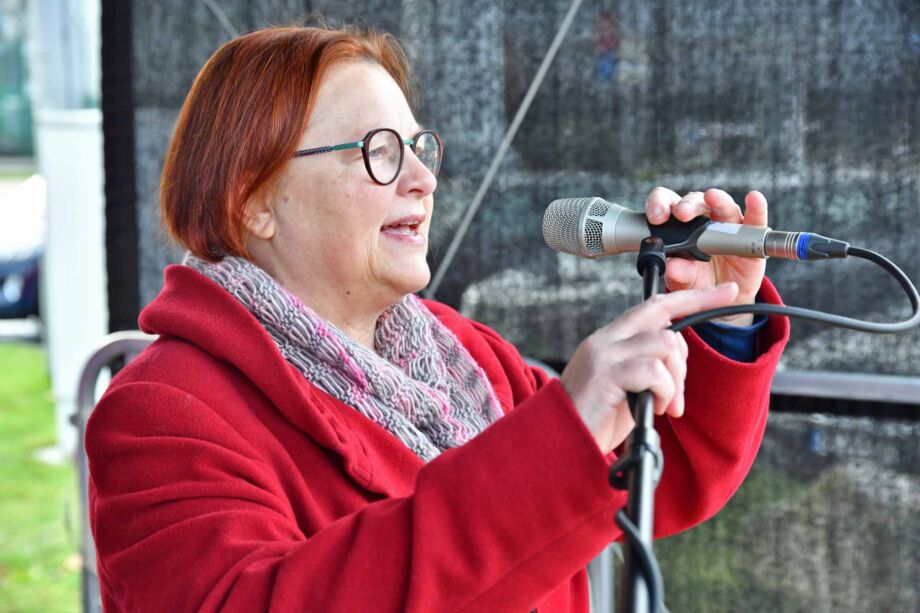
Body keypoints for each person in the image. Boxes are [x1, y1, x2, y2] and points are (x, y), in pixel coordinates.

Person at [86, 24, 789, 612]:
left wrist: (720, 317)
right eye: (379, 152)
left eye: (419, 148)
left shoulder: (463, 354)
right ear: (253, 202)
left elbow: (654, 476)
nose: (423, 179)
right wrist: (560, 438)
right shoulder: (162, 411)